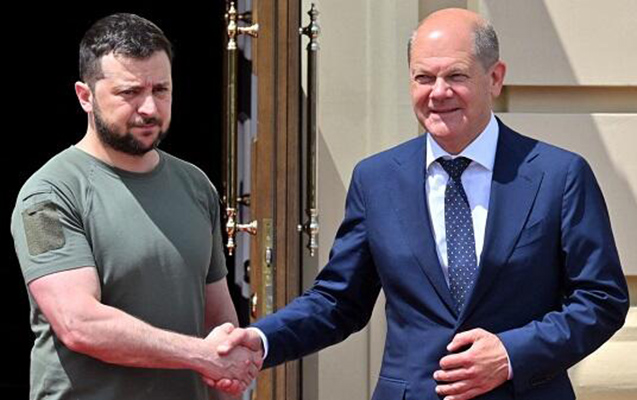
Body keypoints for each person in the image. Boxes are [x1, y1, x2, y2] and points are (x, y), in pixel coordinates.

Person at [214, 8, 629, 400]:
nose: (438, 92)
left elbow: (601, 299)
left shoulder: (558, 175)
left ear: (495, 78)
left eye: (456, 76)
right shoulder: (376, 179)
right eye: (423, 78)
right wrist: (262, 340)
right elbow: (339, 301)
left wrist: (510, 354)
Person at [10, 13, 261, 400]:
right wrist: (201, 356)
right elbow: (79, 323)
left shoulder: (196, 186)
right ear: (85, 96)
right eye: (129, 93)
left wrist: (229, 371)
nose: (149, 108)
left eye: (161, 90)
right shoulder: (46, 197)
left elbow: (218, 319)